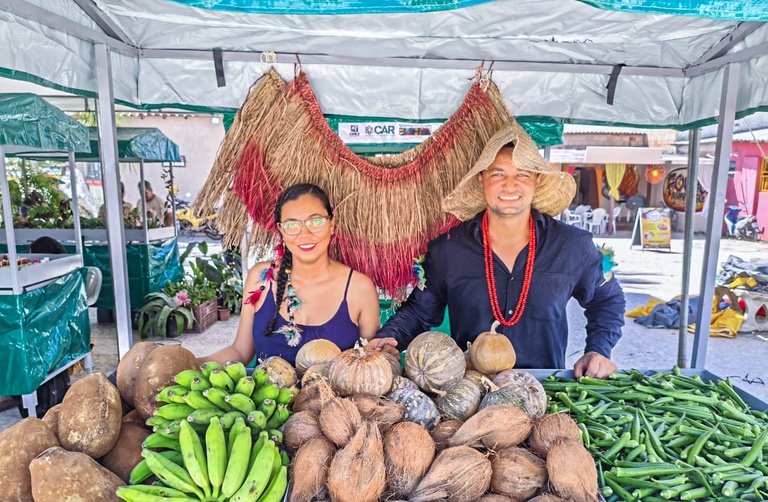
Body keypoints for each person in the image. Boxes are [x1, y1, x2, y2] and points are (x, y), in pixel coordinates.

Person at [370, 119, 625, 379]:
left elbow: (608, 301)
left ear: (536, 181)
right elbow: (418, 311)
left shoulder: (572, 246)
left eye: (522, 174)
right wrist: (390, 339)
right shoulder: (448, 250)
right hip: (471, 396)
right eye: (497, 174)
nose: (510, 185)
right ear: (481, 179)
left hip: (546, 390)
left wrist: (598, 350)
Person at [199, 183, 381, 367]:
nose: (305, 234)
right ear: (281, 231)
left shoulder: (360, 288)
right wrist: (192, 363)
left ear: (331, 225)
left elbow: (372, 361)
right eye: (292, 225)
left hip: (332, 396)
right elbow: (240, 351)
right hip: (267, 394)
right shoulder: (261, 279)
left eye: (315, 221)